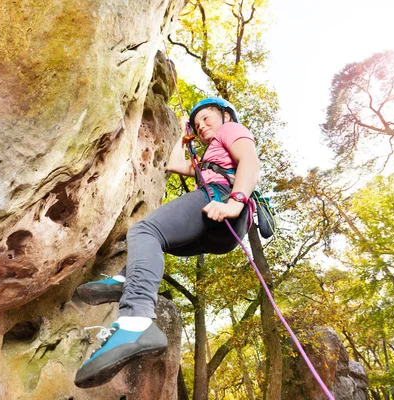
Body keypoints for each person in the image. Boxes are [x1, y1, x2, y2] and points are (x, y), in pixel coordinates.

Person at [74, 98, 259, 388]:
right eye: (197, 125)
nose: (202, 126)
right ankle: (127, 278)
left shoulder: (231, 129)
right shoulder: (207, 156)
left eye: (208, 118)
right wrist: (184, 137)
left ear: (224, 116)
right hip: (218, 227)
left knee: (144, 232)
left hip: (223, 201)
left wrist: (235, 202)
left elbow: (250, 160)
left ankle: (135, 324)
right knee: (152, 244)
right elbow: (174, 164)